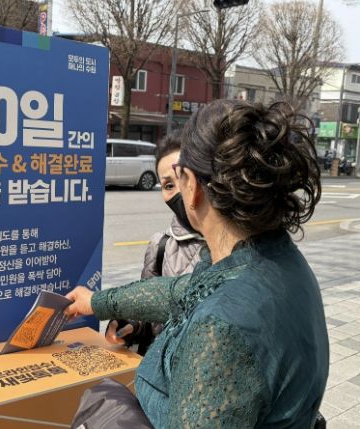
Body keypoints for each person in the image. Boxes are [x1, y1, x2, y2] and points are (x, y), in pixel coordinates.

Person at [66, 100, 329, 428]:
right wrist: (95, 302)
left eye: (175, 180)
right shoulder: (268, 257)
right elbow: (177, 291)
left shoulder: (221, 330)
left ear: (191, 185)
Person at [106, 131, 206, 355]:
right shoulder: (161, 245)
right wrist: (128, 325)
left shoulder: (244, 249)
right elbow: (147, 313)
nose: (181, 191)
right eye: (168, 185)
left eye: (185, 179)